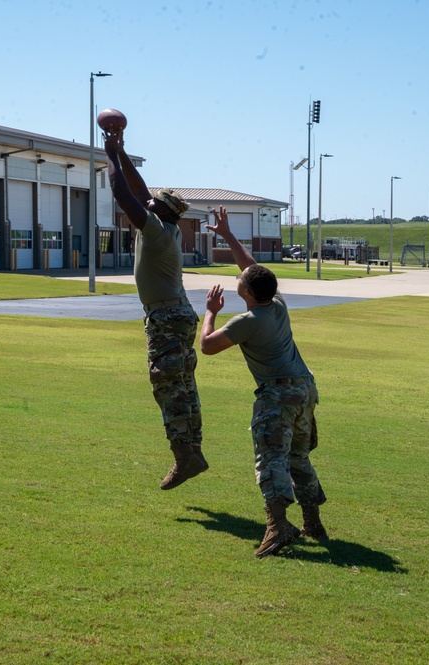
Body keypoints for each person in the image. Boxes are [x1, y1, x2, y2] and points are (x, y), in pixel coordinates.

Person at [200, 206, 328, 558]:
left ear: (248, 293)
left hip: (279, 395)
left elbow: (207, 347)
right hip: (305, 389)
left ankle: (278, 526)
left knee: (271, 458)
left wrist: (210, 311)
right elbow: (251, 268)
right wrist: (227, 236)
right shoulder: (277, 304)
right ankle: (312, 522)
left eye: (242, 280)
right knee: (298, 458)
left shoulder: (248, 320)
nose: (240, 277)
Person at [102, 122, 207, 490]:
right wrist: (122, 150)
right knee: (183, 382)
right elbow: (139, 190)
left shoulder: (158, 230)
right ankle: (193, 450)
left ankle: (184, 456)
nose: (147, 201)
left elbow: (123, 194)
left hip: (165, 316)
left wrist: (112, 156)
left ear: (161, 212)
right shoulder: (171, 227)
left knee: (166, 384)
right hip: (177, 313)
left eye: (153, 203)